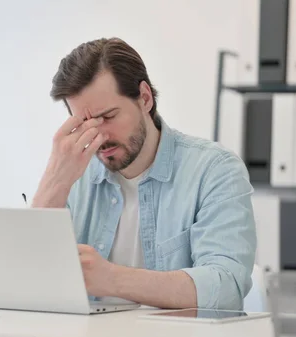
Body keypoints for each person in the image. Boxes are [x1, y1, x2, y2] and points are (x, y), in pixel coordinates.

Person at [31, 37, 257, 311]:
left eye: (109, 116)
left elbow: (226, 288)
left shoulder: (214, 170)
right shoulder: (73, 175)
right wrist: (53, 182)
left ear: (145, 98)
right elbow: (27, 280)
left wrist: (112, 279)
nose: (99, 137)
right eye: (84, 124)